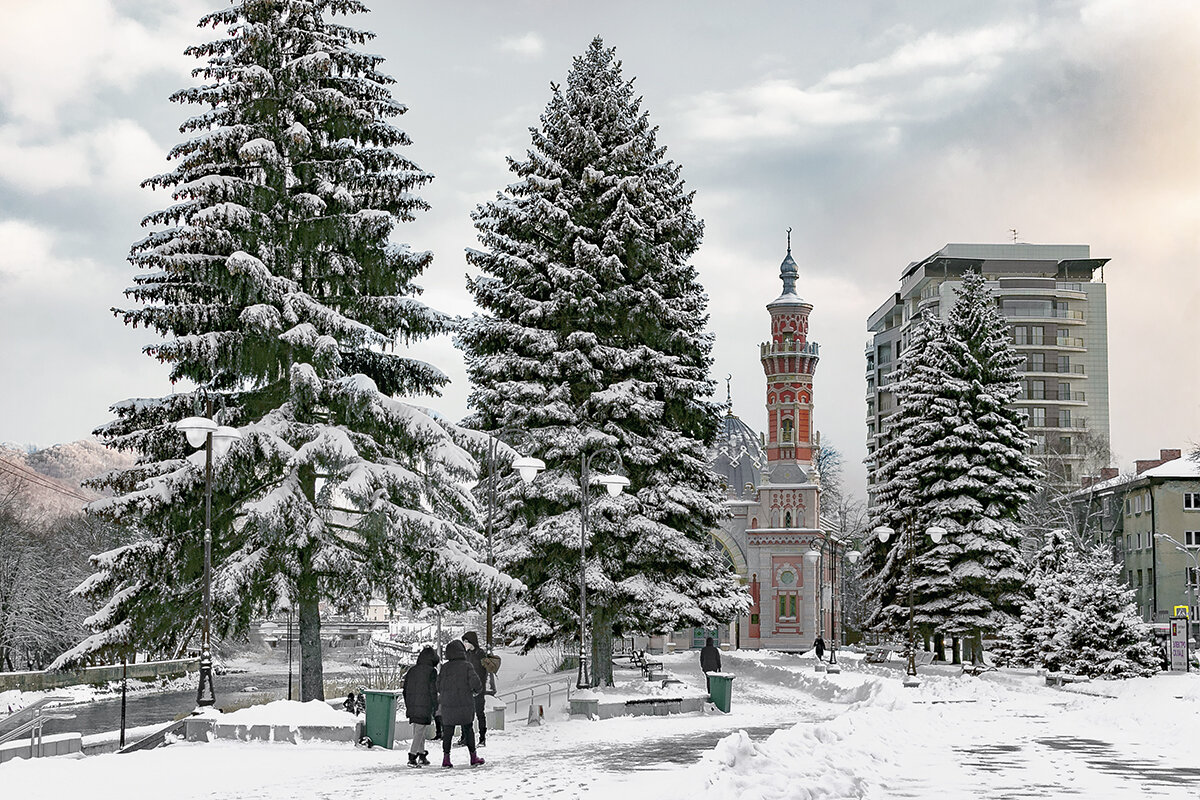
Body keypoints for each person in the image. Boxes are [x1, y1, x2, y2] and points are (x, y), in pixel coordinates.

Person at [437, 639, 484, 768]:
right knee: (468, 729)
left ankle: (446, 759)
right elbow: (476, 684)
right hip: (465, 704)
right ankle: (473, 757)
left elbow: (438, 686)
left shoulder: (445, 668)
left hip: (448, 705)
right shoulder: (467, 665)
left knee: (448, 732)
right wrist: (476, 691)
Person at [402, 646, 439, 768]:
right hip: (425, 704)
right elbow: (433, 690)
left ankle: (422, 754)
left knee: (419, 730)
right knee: (420, 730)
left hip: (412, 704)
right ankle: (412, 757)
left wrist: (408, 704)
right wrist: (436, 706)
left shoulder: (411, 670)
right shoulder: (431, 672)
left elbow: (405, 689)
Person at [461, 630, 489, 747]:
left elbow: (483, 674)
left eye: (466, 642)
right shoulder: (466, 655)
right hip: (467, 690)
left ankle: (482, 737)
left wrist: (478, 688)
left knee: (479, 713)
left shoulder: (480, 655)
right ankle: (465, 737)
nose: (465, 644)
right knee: (466, 714)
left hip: (478, 690)